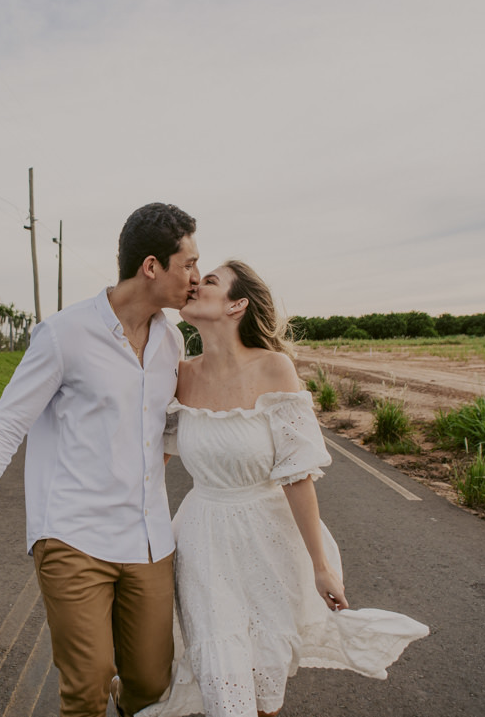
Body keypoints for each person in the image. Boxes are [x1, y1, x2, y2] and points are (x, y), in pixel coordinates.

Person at [0, 203, 200, 717]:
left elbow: (161, 428)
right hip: (74, 536)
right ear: (152, 267)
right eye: (189, 264)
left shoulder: (171, 340)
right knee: (87, 685)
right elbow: (4, 428)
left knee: (150, 683)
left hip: (148, 538)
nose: (197, 277)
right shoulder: (64, 334)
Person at [139, 261, 429, 717]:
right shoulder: (182, 375)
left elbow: (297, 474)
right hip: (202, 542)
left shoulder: (275, 369)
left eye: (209, 281)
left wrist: (320, 566)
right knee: (222, 676)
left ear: (237, 305)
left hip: (268, 544)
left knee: (264, 681)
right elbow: (154, 459)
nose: (195, 283)